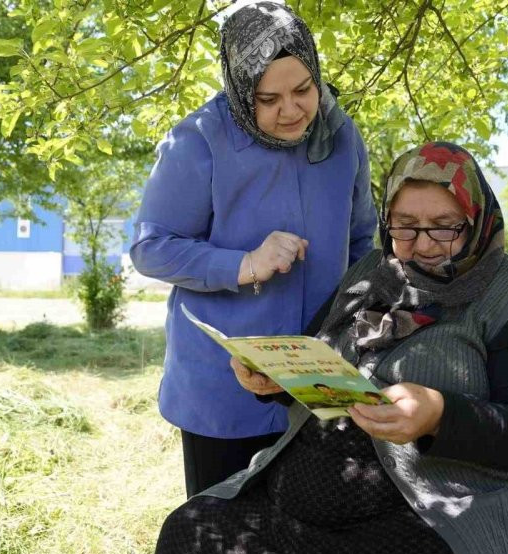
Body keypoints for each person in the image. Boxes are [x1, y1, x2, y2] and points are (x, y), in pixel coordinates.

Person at [153, 142, 508, 554]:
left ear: (475, 219)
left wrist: (439, 414)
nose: (422, 245)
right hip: (297, 506)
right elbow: (319, 356)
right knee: (190, 529)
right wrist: (275, 380)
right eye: (404, 226)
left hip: (428, 514)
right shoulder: (372, 273)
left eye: (444, 226)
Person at [129, 1, 377, 499]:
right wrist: (243, 264)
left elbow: (360, 244)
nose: (291, 111)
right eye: (268, 98)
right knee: (223, 529)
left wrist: (350, 339)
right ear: (241, 91)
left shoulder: (342, 135)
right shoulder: (197, 141)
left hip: (317, 382)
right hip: (224, 391)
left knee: (311, 530)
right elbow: (150, 248)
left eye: (304, 90)